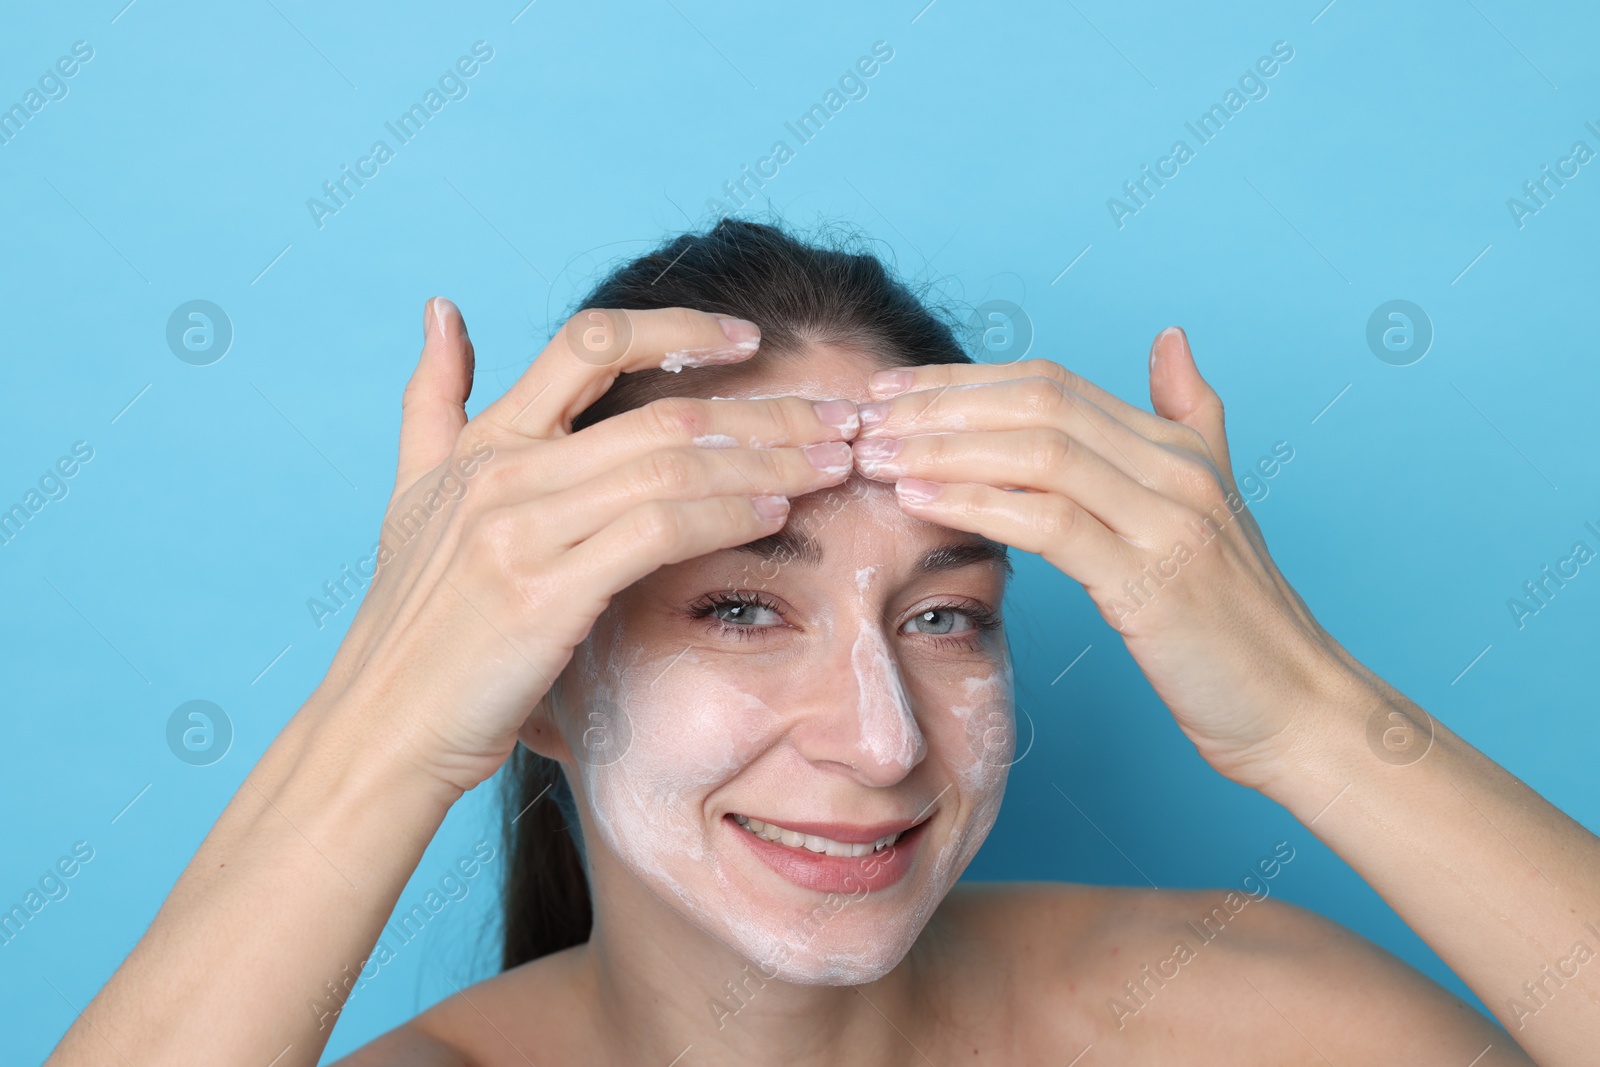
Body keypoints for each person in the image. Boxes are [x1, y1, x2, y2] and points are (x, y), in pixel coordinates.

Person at [47, 221, 1596, 1066]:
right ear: (528, 680)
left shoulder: (1229, 1023)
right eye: (738, 605)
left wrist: (1310, 719)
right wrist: (381, 726)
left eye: (946, 617)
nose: (884, 740)